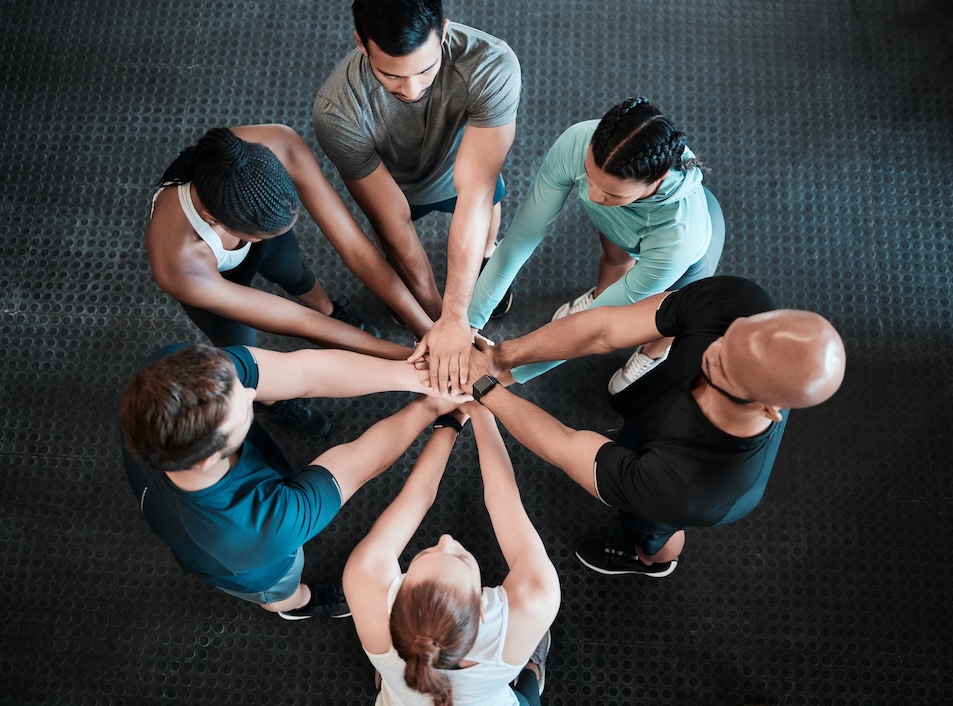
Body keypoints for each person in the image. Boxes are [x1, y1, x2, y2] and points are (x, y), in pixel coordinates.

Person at [465, 276, 846, 577]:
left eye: (725, 368)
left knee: (651, 533)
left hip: (679, 494)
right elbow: (605, 330)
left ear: (769, 408)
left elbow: (568, 446)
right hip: (657, 428)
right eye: (728, 337)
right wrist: (500, 357)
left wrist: (486, 390)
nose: (713, 351)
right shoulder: (737, 302)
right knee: (634, 441)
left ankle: (651, 562)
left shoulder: (687, 488)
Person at [120, 342, 458, 619]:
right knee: (280, 589)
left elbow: (303, 371)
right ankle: (301, 605)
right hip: (248, 564)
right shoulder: (263, 527)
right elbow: (359, 462)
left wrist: (420, 377)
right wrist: (430, 407)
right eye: (243, 410)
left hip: (178, 501)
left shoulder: (172, 377)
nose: (253, 393)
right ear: (208, 458)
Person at [146, 124, 420, 436]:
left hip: (256, 228)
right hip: (210, 279)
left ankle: (329, 309)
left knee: (297, 272)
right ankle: (273, 403)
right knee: (244, 349)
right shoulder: (178, 262)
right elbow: (301, 323)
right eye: (263, 234)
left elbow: (356, 249)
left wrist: (429, 330)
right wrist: (411, 358)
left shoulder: (277, 145)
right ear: (213, 219)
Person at [313, 0, 521, 393]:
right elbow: (392, 220)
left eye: (426, 69)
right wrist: (435, 320)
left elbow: (475, 194)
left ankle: (485, 257)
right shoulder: (337, 111)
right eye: (390, 75)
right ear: (361, 42)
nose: (412, 88)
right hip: (396, 185)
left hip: (467, 161)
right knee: (393, 243)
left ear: (443, 31)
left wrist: (457, 318)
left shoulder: (492, 64)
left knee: (488, 207)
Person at [469, 97, 725, 390]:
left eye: (611, 194)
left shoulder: (679, 239)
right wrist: (468, 324)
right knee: (615, 260)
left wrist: (512, 373)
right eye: (589, 177)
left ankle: (653, 354)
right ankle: (602, 293)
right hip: (626, 227)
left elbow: (596, 329)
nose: (592, 196)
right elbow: (518, 243)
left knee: (669, 316)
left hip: (683, 257)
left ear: (658, 179)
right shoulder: (578, 141)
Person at [345, 403, 560, 705]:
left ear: (402, 592)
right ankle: (530, 671)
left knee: (389, 671)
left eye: (427, 552)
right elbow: (502, 497)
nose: (446, 539)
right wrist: (482, 411)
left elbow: (418, 494)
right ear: (483, 610)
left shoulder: (366, 581)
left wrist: (452, 420)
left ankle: (390, 674)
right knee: (526, 668)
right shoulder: (534, 598)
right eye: (459, 558)